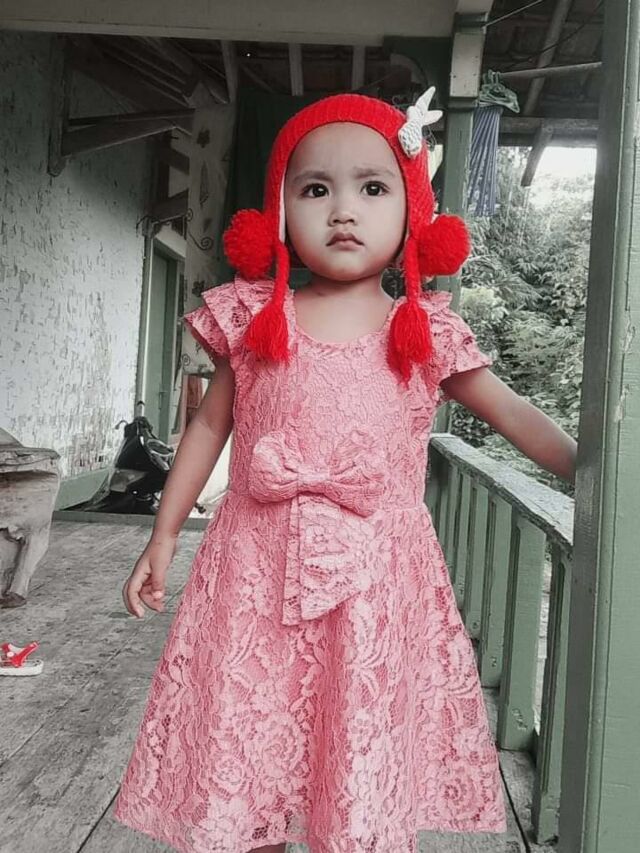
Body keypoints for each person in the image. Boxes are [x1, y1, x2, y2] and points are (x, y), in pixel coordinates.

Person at [113, 90, 577, 853]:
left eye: (372, 188)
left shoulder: (423, 330)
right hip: (254, 576)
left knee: (352, 756)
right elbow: (207, 425)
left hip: (374, 583)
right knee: (250, 744)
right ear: (279, 211)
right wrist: (162, 534)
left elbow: (515, 414)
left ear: (413, 211)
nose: (343, 211)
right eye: (315, 189)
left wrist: (594, 470)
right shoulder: (253, 318)